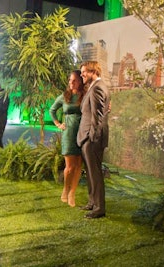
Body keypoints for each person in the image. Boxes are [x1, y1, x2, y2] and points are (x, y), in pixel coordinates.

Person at [77, 61, 110, 219]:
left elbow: (98, 116)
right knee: (90, 172)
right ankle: (92, 202)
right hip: (87, 138)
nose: (81, 74)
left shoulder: (97, 87)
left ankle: (99, 208)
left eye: (84, 72)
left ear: (93, 71)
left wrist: (92, 138)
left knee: (95, 173)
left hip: (92, 139)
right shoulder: (94, 87)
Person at [49, 70, 86, 207]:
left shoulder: (85, 95)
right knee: (69, 166)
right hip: (69, 132)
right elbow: (52, 110)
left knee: (78, 166)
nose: (71, 83)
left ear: (80, 81)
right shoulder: (64, 96)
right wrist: (58, 123)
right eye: (70, 80)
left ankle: (72, 193)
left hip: (82, 132)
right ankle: (65, 189)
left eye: (74, 80)